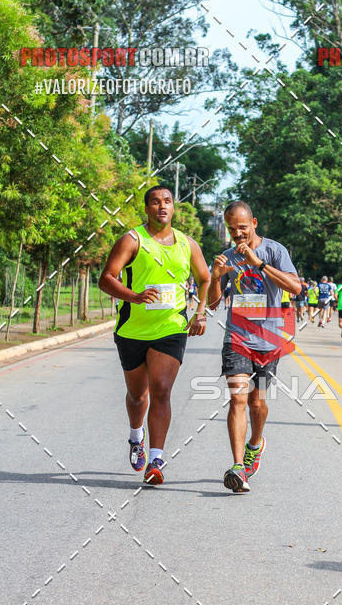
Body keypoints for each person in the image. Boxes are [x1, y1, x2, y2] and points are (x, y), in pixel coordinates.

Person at [99, 185, 210, 485]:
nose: (162, 206)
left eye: (168, 201)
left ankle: (156, 460)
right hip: (132, 330)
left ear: (174, 207)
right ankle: (136, 436)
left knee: (161, 388)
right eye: (156, 202)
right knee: (138, 396)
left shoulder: (187, 244)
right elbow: (106, 279)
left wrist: (200, 312)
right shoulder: (132, 240)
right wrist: (134, 297)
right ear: (147, 208)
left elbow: (205, 278)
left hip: (171, 328)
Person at [208, 201, 300, 492]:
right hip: (237, 337)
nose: (238, 234)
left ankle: (256, 443)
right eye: (232, 229)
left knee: (256, 403)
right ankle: (238, 467)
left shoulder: (275, 251)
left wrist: (258, 263)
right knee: (237, 398)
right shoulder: (227, 257)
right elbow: (213, 303)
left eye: (242, 227)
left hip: (268, 339)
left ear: (254, 223)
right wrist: (215, 277)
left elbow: (295, 287)